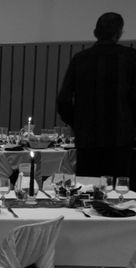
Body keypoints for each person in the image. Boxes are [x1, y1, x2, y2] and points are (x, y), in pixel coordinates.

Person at [56, 12, 136, 187]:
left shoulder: (81, 59)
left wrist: (77, 123)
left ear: (95, 32)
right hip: (121, 141)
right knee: (121, 195)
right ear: (119, 33)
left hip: (88, 142)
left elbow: (63, 101)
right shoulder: (131, 58)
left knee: (87, 192)